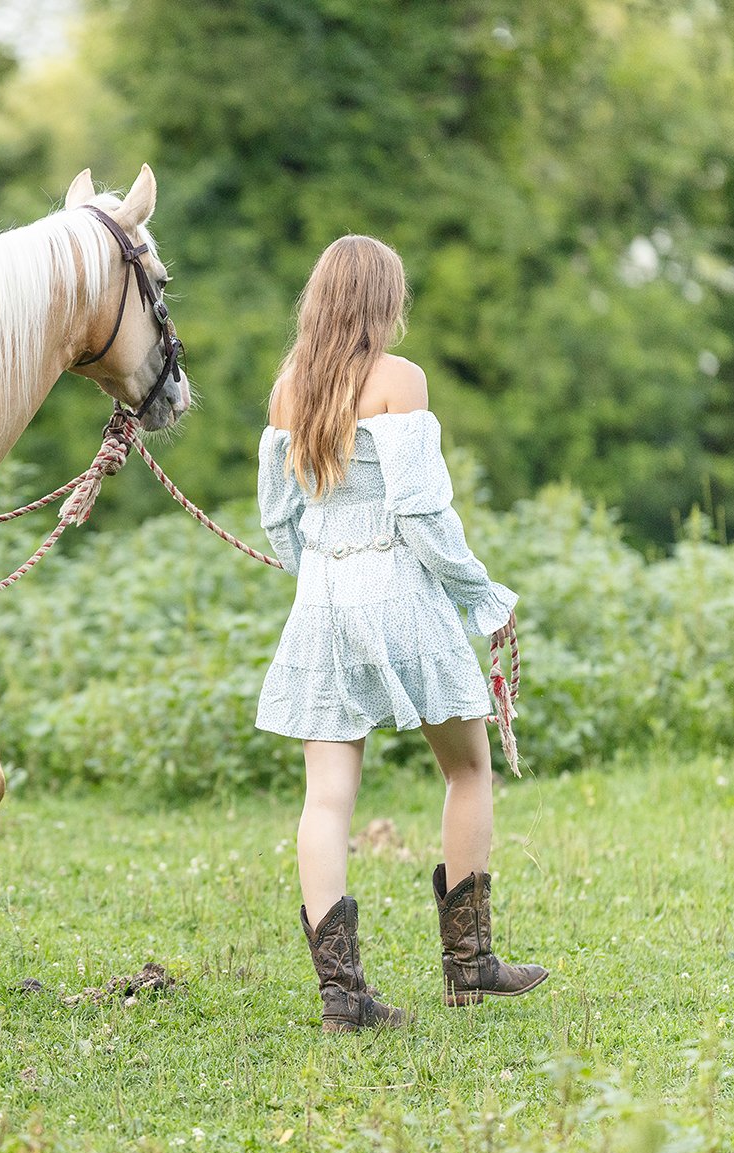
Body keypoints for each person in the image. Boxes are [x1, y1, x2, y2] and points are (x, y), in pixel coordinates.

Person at [257, 235, 548, 1032]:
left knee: (326, 798)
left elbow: (279, 516)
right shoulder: (398, 379)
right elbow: (419, 511)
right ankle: (468, 965)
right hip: (393, 590)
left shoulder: (290, 387)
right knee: (466, 770)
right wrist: (479, 592)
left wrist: (313, 564)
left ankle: (342, 998)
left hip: (320, 601)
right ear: (382, 301)